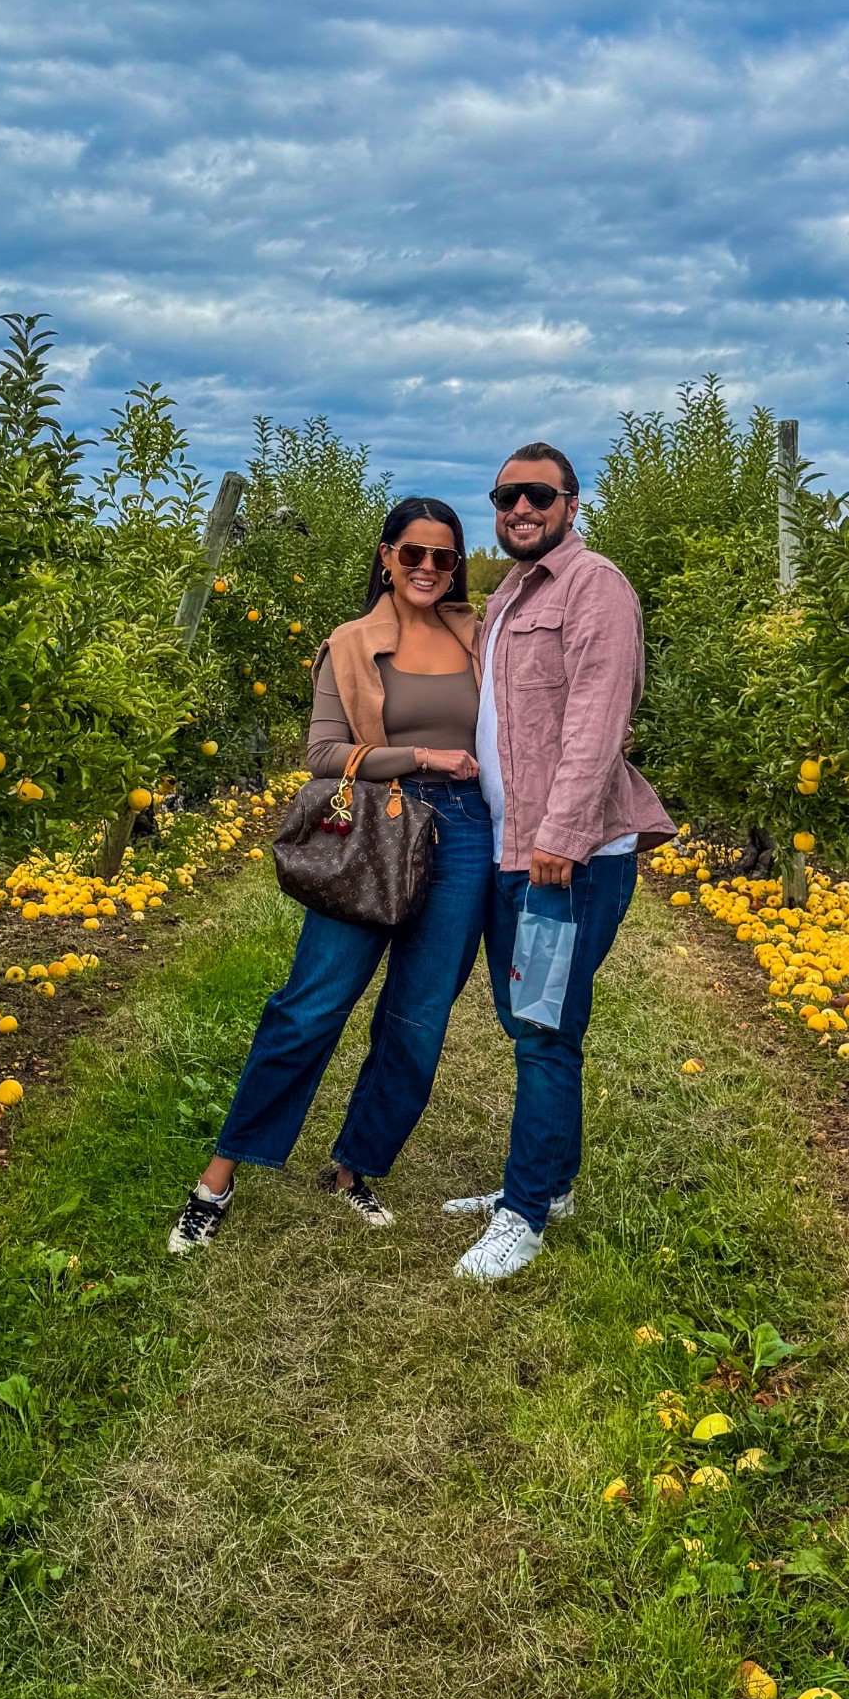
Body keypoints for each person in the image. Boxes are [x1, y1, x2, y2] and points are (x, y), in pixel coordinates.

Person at [167, 496, 491, 1253]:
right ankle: (219, 1175)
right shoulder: (348, 644)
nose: (427, 569)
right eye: (412, 553)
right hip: (378, 830)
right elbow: (319, 755)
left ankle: (354, 1168)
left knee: (418, 1017)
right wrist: (418, 757)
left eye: (444, 557)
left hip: (468, 837)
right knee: (310, 1005)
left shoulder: (481, 637)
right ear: (385, 556)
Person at [446, 442, 674, 1282]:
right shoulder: (509, 593)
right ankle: (551, 1182)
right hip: (517, 849)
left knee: (542, 1029)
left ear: (572, 504)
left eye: (537, 494)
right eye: (506, 495)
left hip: (564, 857)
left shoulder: (593, 585)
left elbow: (597, 718)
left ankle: (525, 1212)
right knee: (531, 1020)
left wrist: (561, 837)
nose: (519, 508)